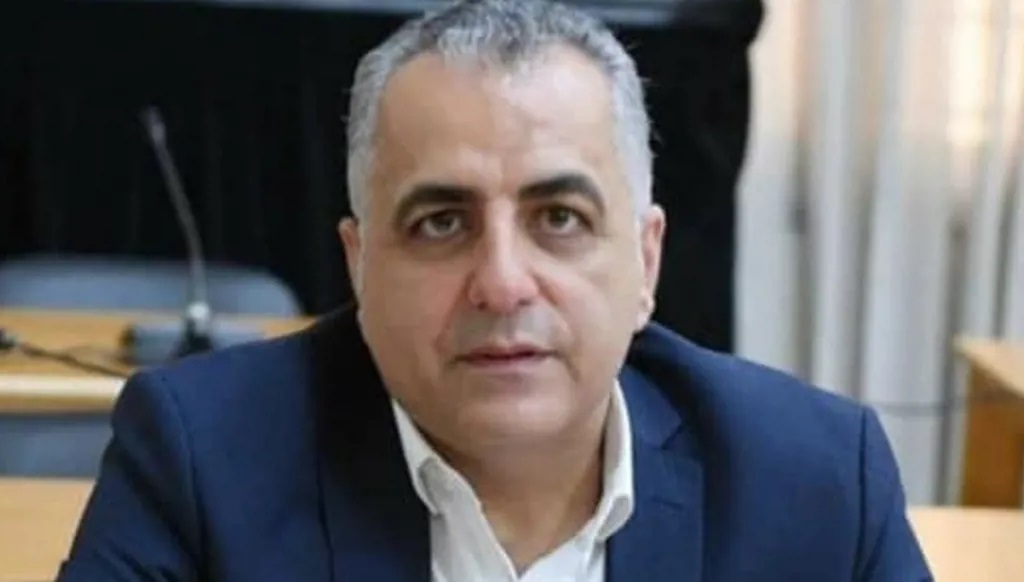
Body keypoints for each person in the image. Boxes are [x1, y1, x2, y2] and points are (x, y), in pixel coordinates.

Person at [59, 1, 933, 580]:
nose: (504, 283)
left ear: (646, 262)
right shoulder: (201, 460)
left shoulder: (816, 480)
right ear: (360, 265)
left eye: (559, 218)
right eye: (442, 222)